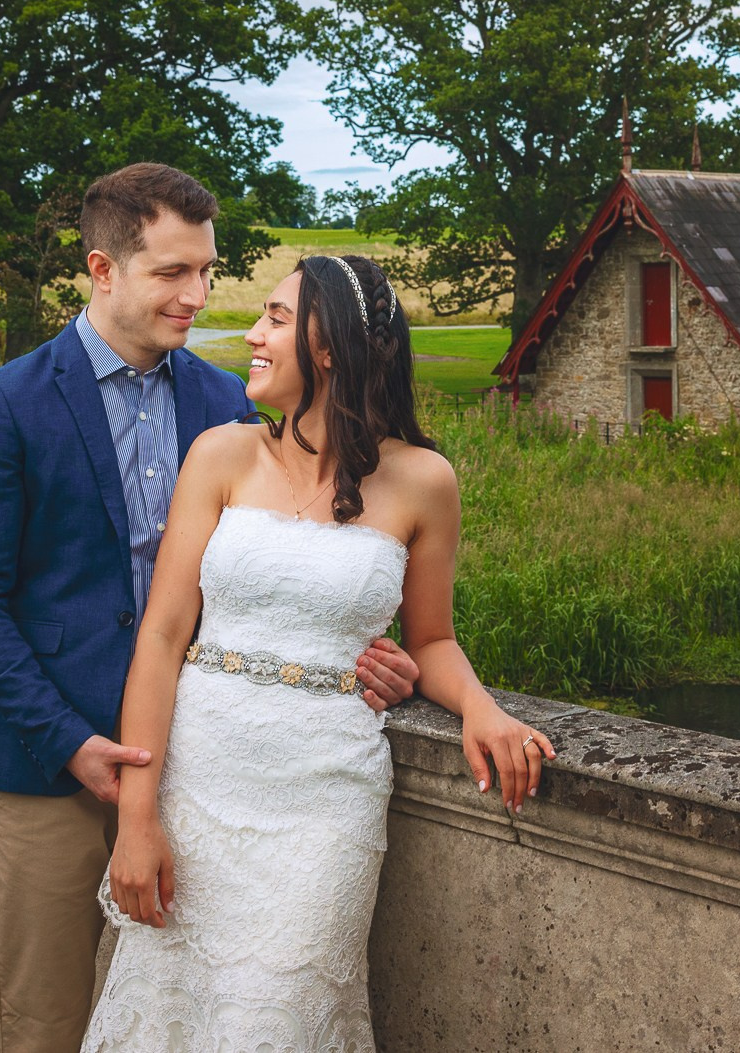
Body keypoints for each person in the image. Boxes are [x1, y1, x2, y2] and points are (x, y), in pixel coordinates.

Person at [0, 163, 423, 1053]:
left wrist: (362, 650)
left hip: (200, 776)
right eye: (172, 272)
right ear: (103, 268)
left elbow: (297, 554)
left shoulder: (227, 402)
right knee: (41, 1028)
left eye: (206, 269)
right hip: (48, 766)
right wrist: (69, 740)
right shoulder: (8, 400)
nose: (198, 294)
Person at [81, 253, 556, 1051]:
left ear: (328, 345)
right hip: (199, 787)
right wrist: (137, 816)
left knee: (278, 1021)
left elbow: (431, 639)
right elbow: (162, 638)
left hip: (324, 804)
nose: (249, 334)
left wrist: (481, 707)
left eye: (272, 317)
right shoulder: (219, 456)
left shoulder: (424, 481)